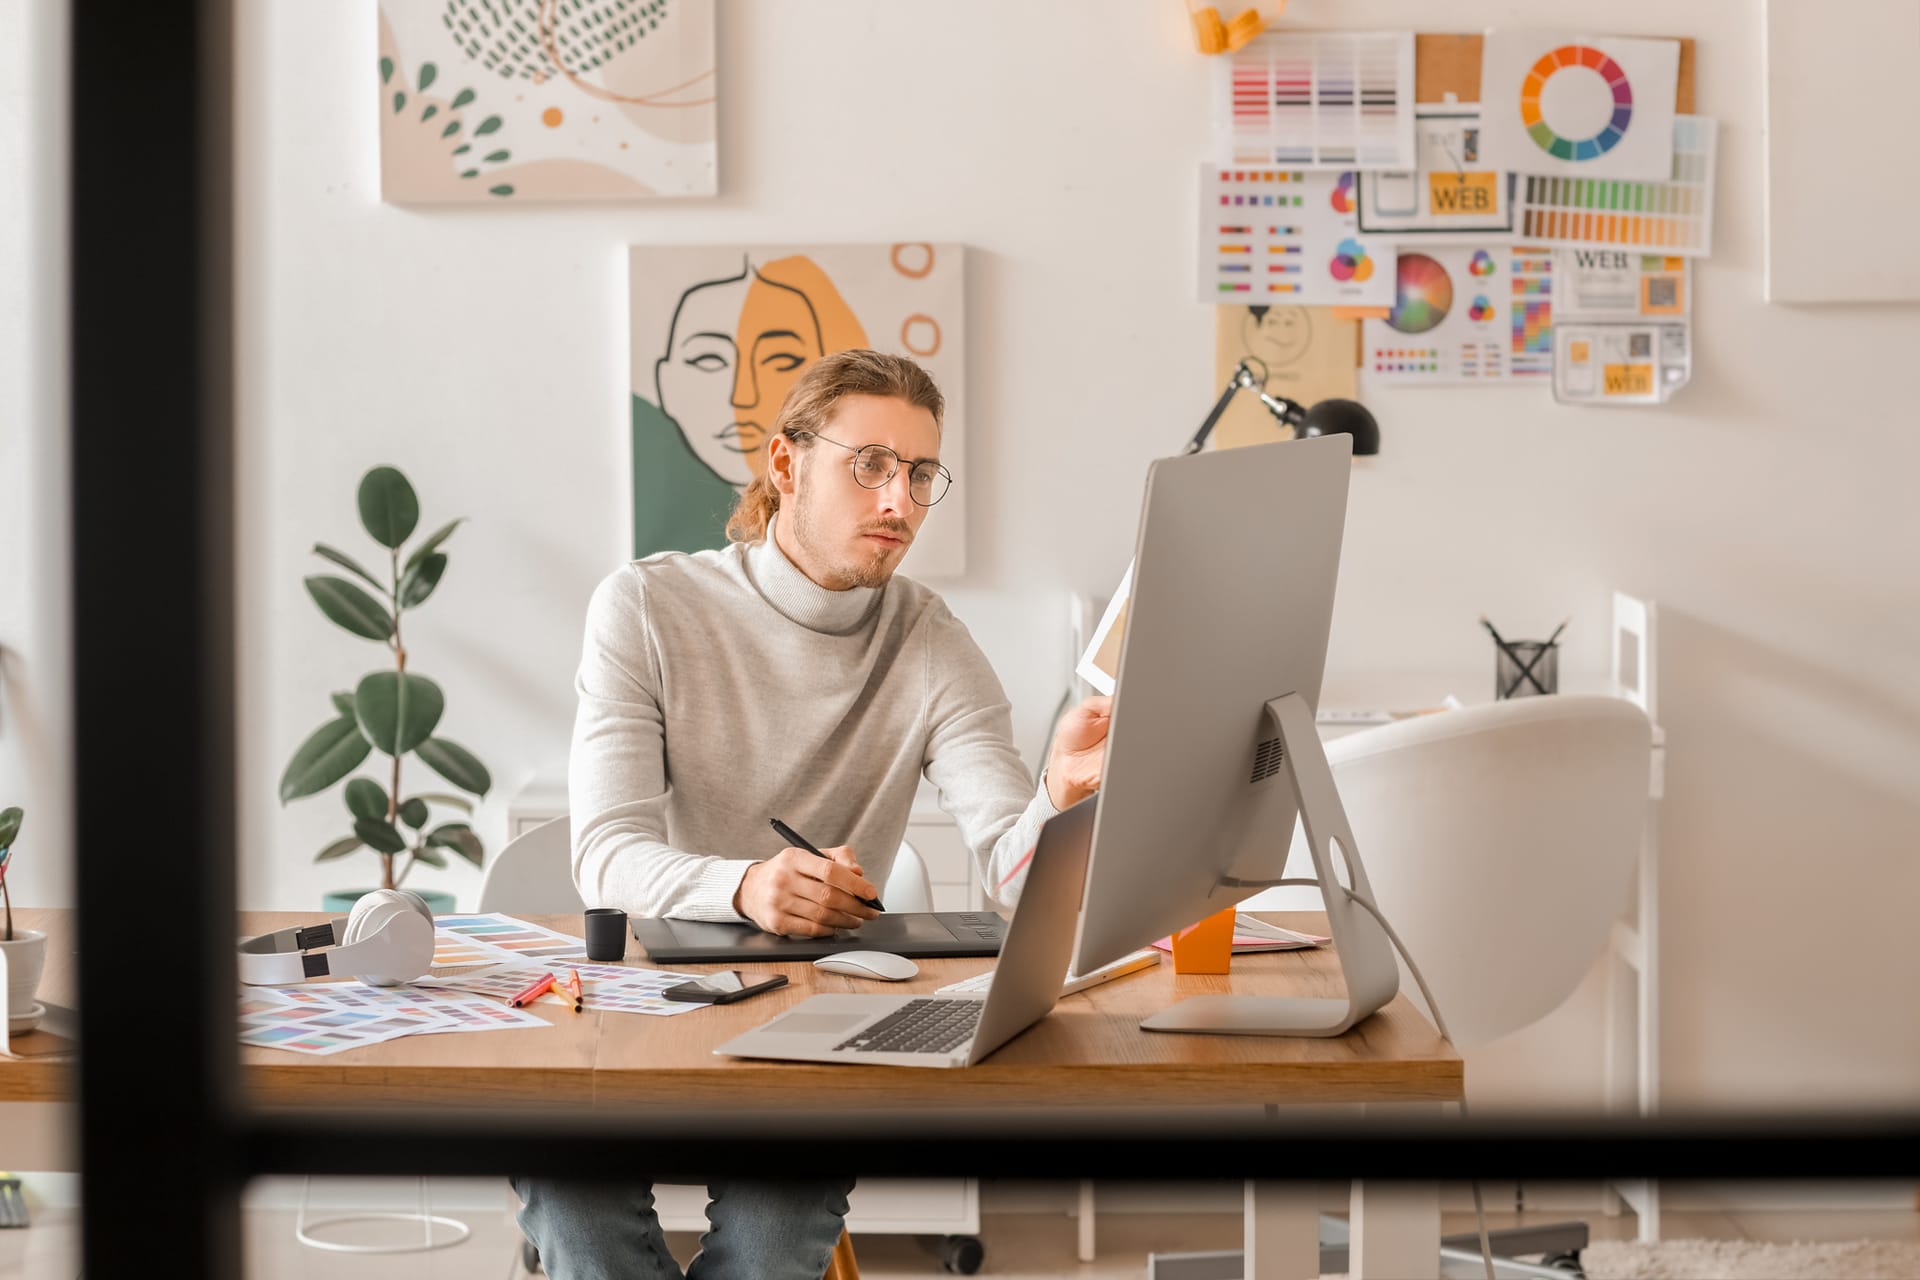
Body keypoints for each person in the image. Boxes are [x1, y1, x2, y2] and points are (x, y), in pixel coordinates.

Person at [513, 349, 1111, 1279]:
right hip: (636, 1011)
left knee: (768, 1246)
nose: (899, 501)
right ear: (786, 465)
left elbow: (1009, 866)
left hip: (810, 1033)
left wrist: (1061, 800)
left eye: (919, 474)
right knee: (573, 1204)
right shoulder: (647, 605)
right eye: (868, 464)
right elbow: (606, 855)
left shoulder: (931, 642)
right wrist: (745, 885)